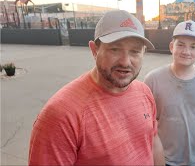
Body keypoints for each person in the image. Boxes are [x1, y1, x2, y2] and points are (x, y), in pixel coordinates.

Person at [29, 10, 165, 165]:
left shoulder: (144, 92)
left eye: (135, 51)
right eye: (115, 49)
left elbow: (153, 142)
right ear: (94, 50)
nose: (126, 62)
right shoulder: (60, 114)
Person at [144, 20, 195, 165]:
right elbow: (145, 123)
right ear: (171, 46)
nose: (186, 51)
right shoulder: (153, 79)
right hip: (165, 160)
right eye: (180, 44)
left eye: (193, 47)